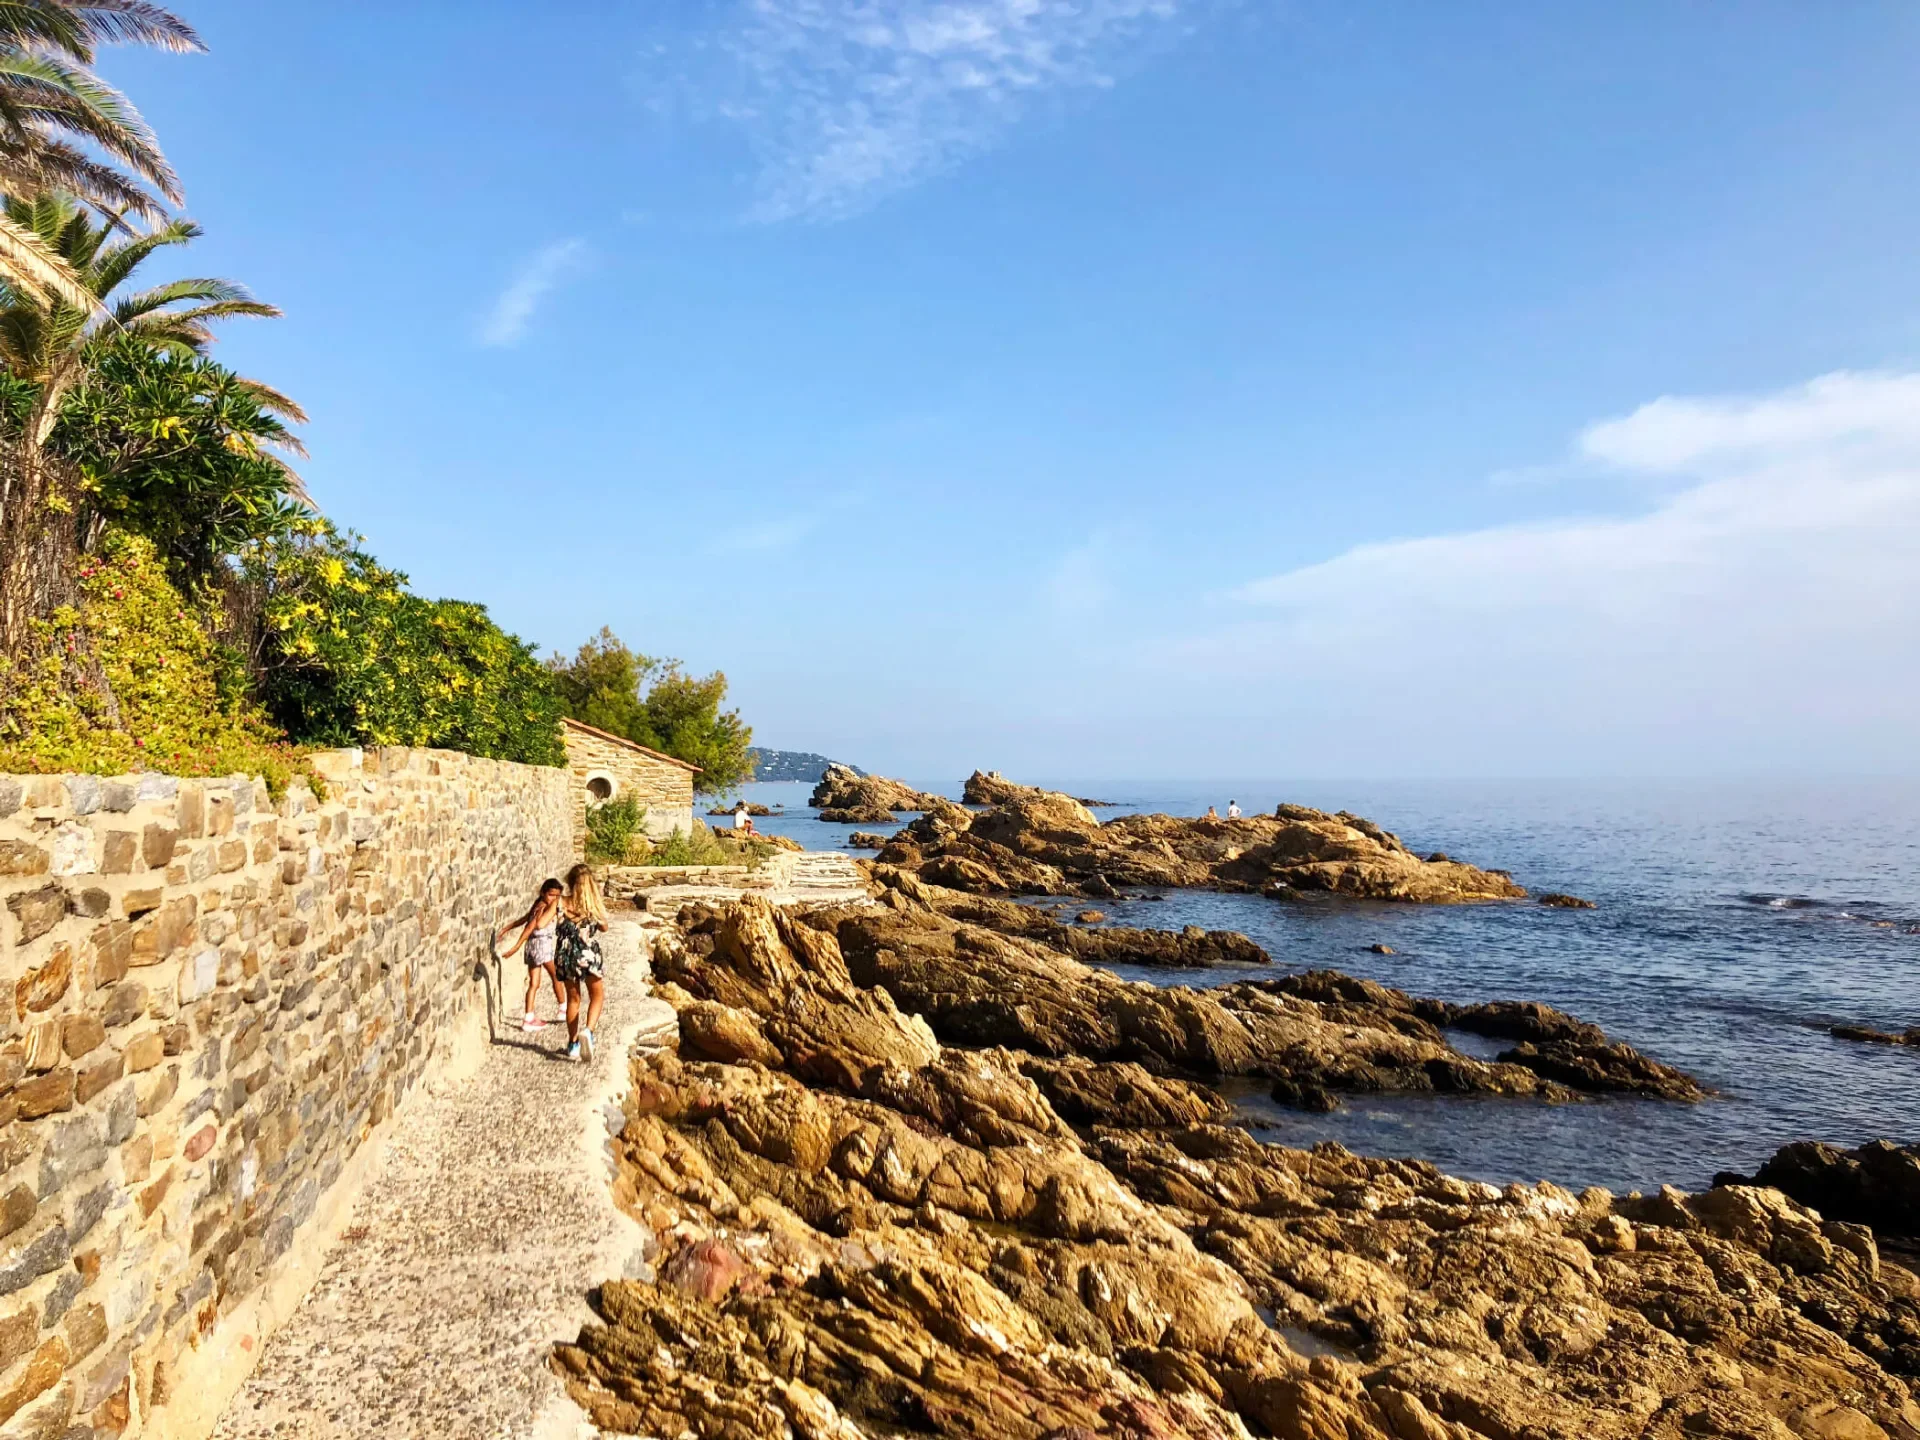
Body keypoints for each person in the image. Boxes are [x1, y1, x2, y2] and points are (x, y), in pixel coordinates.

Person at [496, 878, 565, 1032]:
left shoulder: (538, 904)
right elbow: (529, 927)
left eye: (557, 896)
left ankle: (528, 1018)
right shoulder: (542, 908)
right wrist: (516, 946)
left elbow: (524, 919)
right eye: (551, 895)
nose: (553, 899)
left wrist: (508, 927)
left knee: (534, 983)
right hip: (542, 947)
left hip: (532, 948)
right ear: (543, 893)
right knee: (557, 976)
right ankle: (563, 1009)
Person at [555, 862, 608, 1062]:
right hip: (587, 955)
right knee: (597, 996)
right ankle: (589, 1031)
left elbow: (543, 922)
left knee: (573, 999)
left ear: (569, 882)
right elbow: (604, 928)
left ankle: (573, 1043)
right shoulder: (592, 905)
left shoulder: (560, 902)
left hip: (565, 955)